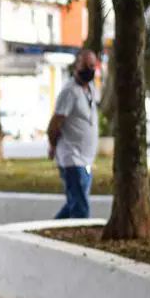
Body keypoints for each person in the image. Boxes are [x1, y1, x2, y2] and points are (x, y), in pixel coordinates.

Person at [47, 49, 99, 219]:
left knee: (74, 204)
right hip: (72, 158)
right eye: (85, 65)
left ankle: (48, 233)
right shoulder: (69, 91)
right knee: (81, 209)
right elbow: (54, 124)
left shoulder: (90, 88)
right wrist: (53, 146)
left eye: (92, 66)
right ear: (76, 66)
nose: (89, 69)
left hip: (86, 160)